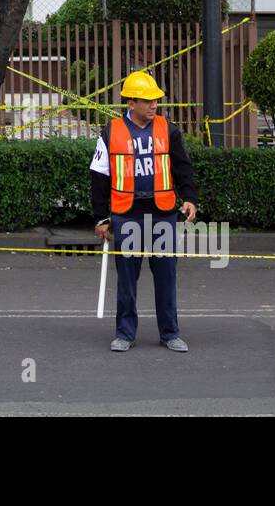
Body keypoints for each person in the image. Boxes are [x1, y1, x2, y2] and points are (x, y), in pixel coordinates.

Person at [90, 70, 200, 353]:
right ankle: (125, 334)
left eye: (155, 101)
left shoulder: (168, 130)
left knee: (166, 278)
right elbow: (99, 177)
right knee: (127, 280)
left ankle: (170, 333)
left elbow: (182, 167)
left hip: (163, 214)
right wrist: (101, 217)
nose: (154, 105)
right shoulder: (111, 132)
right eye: (147, 101)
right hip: (126, 215)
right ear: (131, 103)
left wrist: (189, 198)